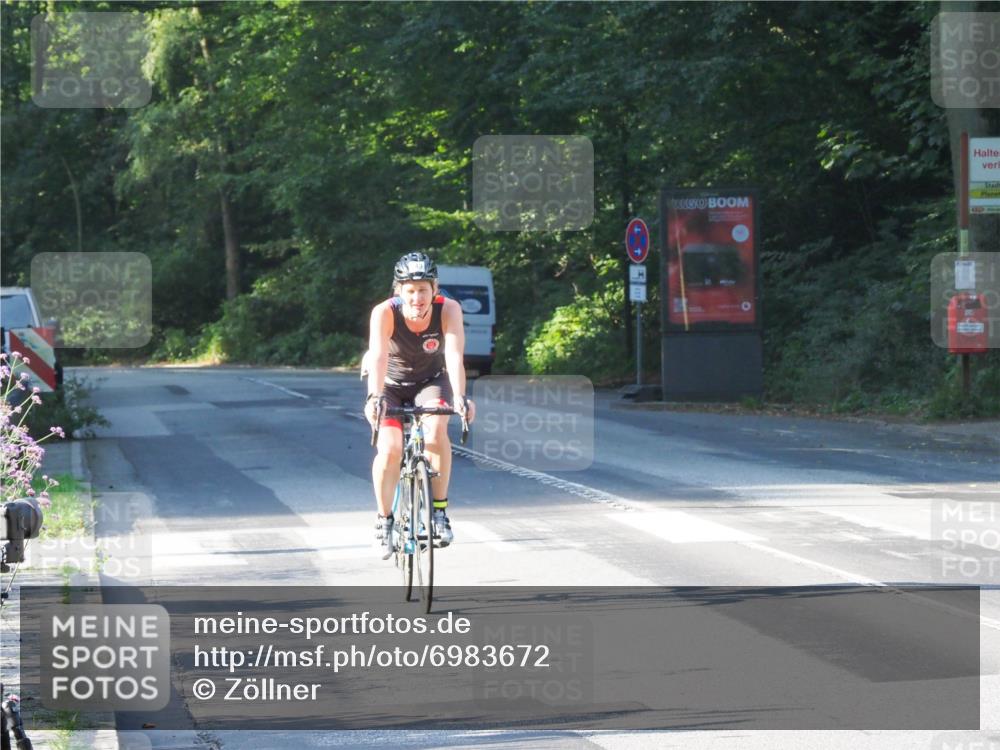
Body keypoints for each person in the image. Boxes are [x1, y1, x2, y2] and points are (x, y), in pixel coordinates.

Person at [364, 252, 476, 559]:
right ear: (398, 291)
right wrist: (374, 398)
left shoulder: (448, 309)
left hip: (431, 381)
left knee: (437, 430)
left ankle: (439, 514)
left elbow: (454, 356)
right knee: (390, 450)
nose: (417, 298)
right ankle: (384, 521)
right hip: (390, 385)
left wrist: (460, 397)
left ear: (435, 289)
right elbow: (378, 357)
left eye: (423, 290)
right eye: (410, 291)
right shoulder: (384, 312)